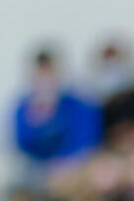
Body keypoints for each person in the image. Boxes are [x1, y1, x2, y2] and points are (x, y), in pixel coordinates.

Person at [13, 48, 103, 176]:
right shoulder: (24, 109)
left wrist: (67, 163)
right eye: (40, 75)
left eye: (49, 74)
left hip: (77, 166)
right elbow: (23, 146)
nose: (45, 81)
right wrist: (37, 123)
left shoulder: (78, 105)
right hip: (39, 171)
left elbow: (89, 141)